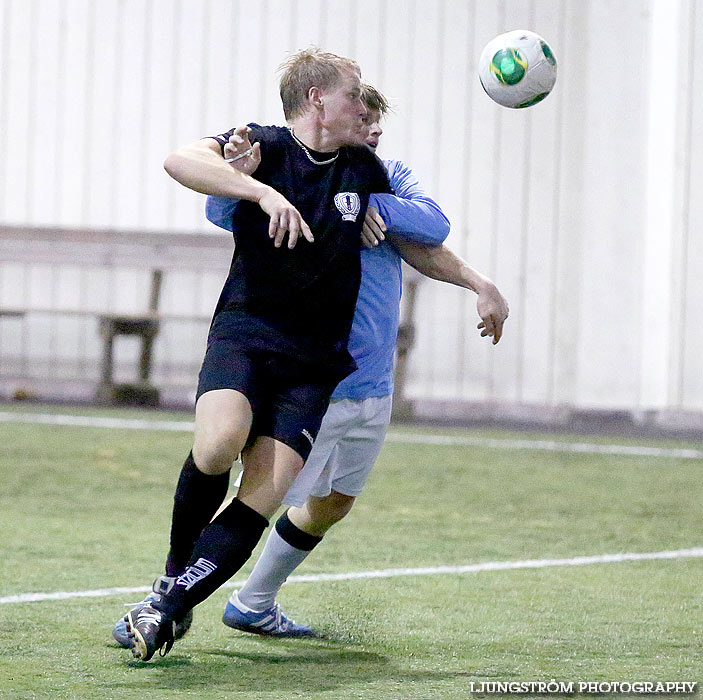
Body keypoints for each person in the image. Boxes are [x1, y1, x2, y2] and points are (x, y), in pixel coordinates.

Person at [117, 48, 394, 662]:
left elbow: (422, 236)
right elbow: (179, 159)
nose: (363, 105)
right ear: (317, 98)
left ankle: (166, 607)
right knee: (219, 444)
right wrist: (259, 192)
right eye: (353, 94)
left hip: (315, 362)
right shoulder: (262, 145)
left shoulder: (365, 168)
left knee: (267, 493)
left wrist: (479, 284)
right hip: (247, 332)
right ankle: (171, 574)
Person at [202, 85, 509, 637]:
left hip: (373, 384)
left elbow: (433, 231)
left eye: (376, 123)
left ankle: (253, 603)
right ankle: (168, 591)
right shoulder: (301, 174)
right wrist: (328, 199)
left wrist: (373, 205)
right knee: (254, 503)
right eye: (362, 119)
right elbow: (220, 208)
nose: (372, 131)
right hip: (313, 379)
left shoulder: (384, 180)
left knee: (333, 503)